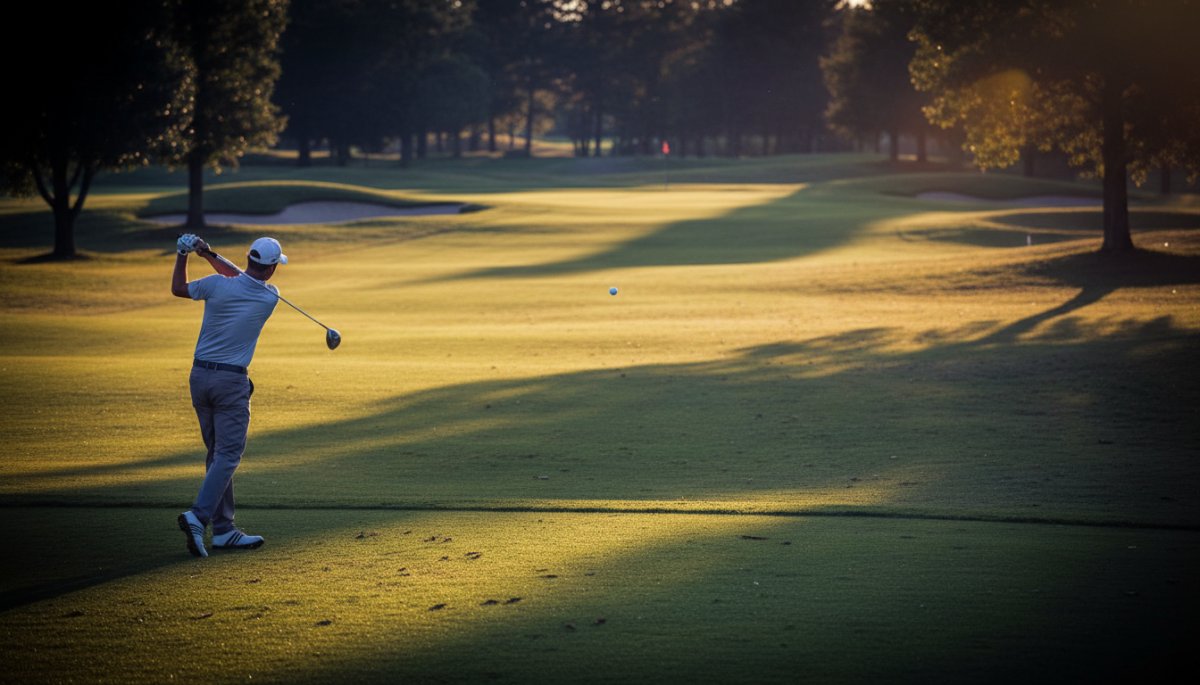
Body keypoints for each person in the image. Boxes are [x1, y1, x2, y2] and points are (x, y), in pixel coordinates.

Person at [171, 234, 287, 557]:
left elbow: (180, 289)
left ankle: (223, 531)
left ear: (249, 258)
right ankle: (199, 516)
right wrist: (208, 255)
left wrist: (185, 254)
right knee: (228, 455)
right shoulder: (270, 297)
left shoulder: (216, 286)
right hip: (230, 382)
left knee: (216, 455)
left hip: (199, 377)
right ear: (272, 269)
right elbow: (240, 278)